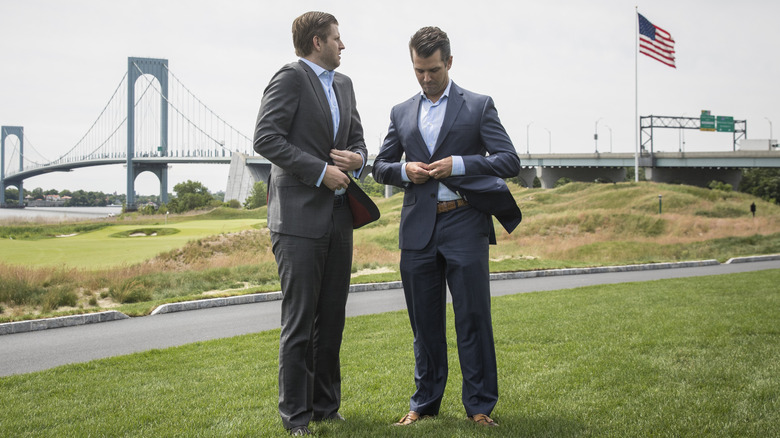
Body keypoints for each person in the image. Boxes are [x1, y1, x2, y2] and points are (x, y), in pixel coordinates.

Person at [372, 26, 522, 427]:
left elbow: (509, 160)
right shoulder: (400, 112)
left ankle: (479, 406)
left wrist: (459, 164)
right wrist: (405, 170)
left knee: (473, 317)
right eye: (418, 70)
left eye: (433, 70)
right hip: (418, 228)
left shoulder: (478, 105)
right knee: (424, 323)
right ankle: (424, 403)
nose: (425, 78)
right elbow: (380, 167)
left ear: (449, 63)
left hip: (465, 220)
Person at [253, 11, 367, 436]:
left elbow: (357, 140)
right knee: (299, 322)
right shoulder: (289, 78)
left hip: (339, 216)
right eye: (338, 38)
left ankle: (326, 407)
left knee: (332, 318)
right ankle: (295, 418)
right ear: (318, 42)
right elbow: (266, 138)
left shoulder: (345, 85)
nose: (343, 45)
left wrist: (359, 159)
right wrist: (321, 172)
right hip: (297, 219)